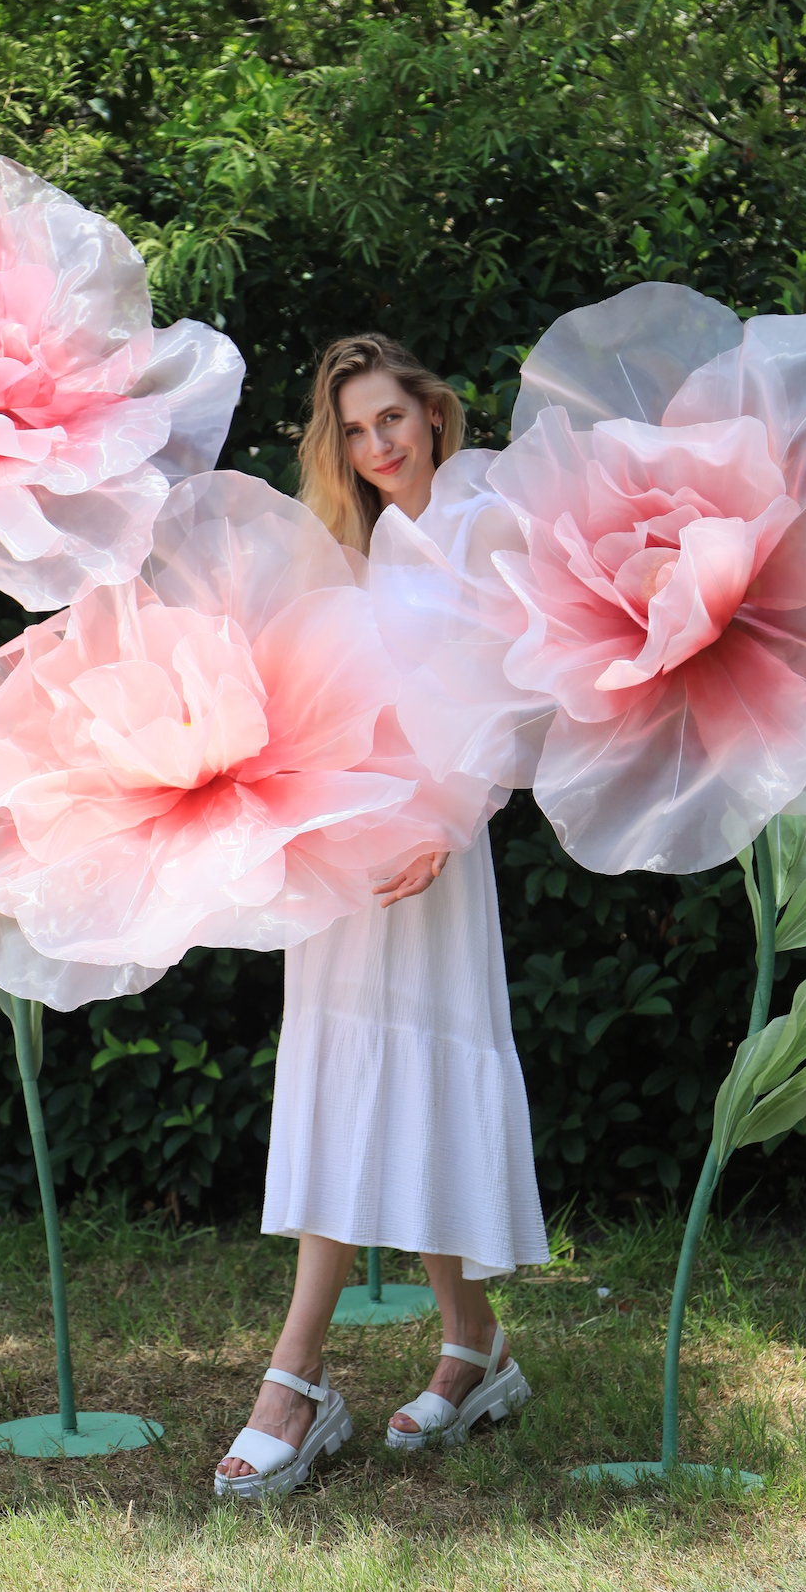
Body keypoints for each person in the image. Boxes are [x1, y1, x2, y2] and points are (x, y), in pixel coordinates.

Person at [215, 333, 549, 1498]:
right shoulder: (353, 550)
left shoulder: (483, 515)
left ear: (433, 414)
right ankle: (474, 1346)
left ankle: (294, 1379)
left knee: (400, 1071)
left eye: (390, 419)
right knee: (353, 1072)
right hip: (346, 853)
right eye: (353, 430)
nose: (376, 445)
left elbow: (515, 694)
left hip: (432, 855)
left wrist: (447, 829)